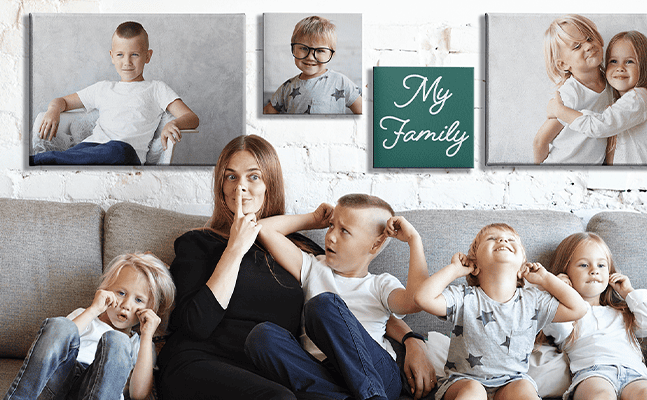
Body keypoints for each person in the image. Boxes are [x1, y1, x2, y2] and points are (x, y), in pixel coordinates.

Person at [157, 135, 435, 400]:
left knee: (319, 312)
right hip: (214, 363)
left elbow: (365, 305)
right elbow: (195, 325)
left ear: (271, 184)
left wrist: (412, 339)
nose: (239, 186)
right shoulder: (198, 243)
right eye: (231, 176)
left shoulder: (307, 252)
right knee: (273, 367)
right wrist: (236, 246)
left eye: (253, 176)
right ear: (220, 184)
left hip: (285, 372)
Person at [246, 193, 431, 400]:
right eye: (331, 225)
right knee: (262, 336)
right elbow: (262, 229)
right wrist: (313, 219)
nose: (331, 236)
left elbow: (418, 300)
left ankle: (372, 396)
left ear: (375, 245)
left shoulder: (380, 284)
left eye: (344, 231)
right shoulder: (312, 267)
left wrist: (414, 240)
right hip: (322, 373)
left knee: (323, 304)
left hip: (377, 374)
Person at [413, 223, 587, 400]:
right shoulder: (464, 297)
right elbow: (422, 298)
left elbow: (579, 309)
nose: (503, 240)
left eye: (511, 240)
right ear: (475, 264)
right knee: (473, 391)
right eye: (492, 238)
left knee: (524, 388)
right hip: (465, 381)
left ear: (521, 267)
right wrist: (454, 270)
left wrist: (546, 279)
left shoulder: (533, 300)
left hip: (512, 381)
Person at [3, 252, 175, 400]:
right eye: (121, 293)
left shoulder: (138, 343)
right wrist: (94, 310)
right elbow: (57, 343)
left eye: (138, 300)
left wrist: (146, 336)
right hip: (57, 383)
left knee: (118, 341)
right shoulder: (85, 316)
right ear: (106, 289)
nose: (126, 305)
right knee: (60, 325)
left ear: (150, 310)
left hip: (98, 392)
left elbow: (139, 394)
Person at [31, 21, 199, 165]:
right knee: (89, 150)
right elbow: (62, 101)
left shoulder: (156, 88)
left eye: (134, 54)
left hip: (125, 154)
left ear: (147, 56)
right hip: (90, 148)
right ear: (112, 56)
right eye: (120, 55)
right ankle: (54, 160)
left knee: (119, 149)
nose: (127, 62)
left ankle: (45, 160)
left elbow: (192, 118)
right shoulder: (103, 88)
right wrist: (53, 110)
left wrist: (174, 124)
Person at [542, 232, 647, 400]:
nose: (594, 271)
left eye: (601, 265)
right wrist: (559, 291)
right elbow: (558, 329)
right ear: (565, 272)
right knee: (599, 395)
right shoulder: (569, 314)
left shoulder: (622, 312)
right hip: (593, 373)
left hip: (636, 373)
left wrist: (628, 292)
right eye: (584, 265)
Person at [546, 31, 647, 165]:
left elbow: (598, 126)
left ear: (644, 66)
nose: (620, 68)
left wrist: (559, 110)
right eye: (613, 61)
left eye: (629, 62)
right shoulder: (621, 103)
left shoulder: (639, 97)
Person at [533, 14, 613, 164]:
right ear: (563, 64)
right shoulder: (570, 94)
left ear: (600, 40)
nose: (588, 46)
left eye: (589, 38)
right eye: (577, 46)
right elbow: (539, 142)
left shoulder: (611, 84)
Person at [263, 15, 362, 115]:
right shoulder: (286, 87)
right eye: (303, 48)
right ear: (293, 49)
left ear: (331, 54)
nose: (310, 57)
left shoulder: (341, 82)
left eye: (320, 50)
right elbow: (265, 114)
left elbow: (365, 113)